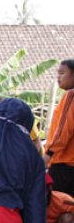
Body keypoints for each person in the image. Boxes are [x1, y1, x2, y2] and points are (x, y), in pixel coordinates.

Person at [45, 60, 74, 195]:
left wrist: (48, 155)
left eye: (62, 73)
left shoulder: (70, 96)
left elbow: (63, 131)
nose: (58, 77)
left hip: (63, 164)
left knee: (57, 210)